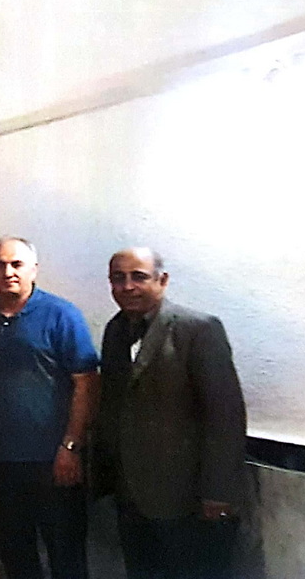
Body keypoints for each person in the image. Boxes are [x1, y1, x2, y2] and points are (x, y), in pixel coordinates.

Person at [97, 247, 246, 579]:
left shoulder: (198, 329)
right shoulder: (115, 330)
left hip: (187, 497)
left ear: (162, 280)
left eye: (138, 277)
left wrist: (218, 493)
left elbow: (225, 416)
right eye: (118, 278)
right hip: (131, 496)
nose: (127, 286)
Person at [0, 236, 100, 579]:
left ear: (34, 269)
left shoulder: (62, 315)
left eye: (17, 264)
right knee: (16, 557)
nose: (8, 271)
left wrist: (71, 446)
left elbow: (86, 383)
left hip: (54, 462)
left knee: (66, 557)